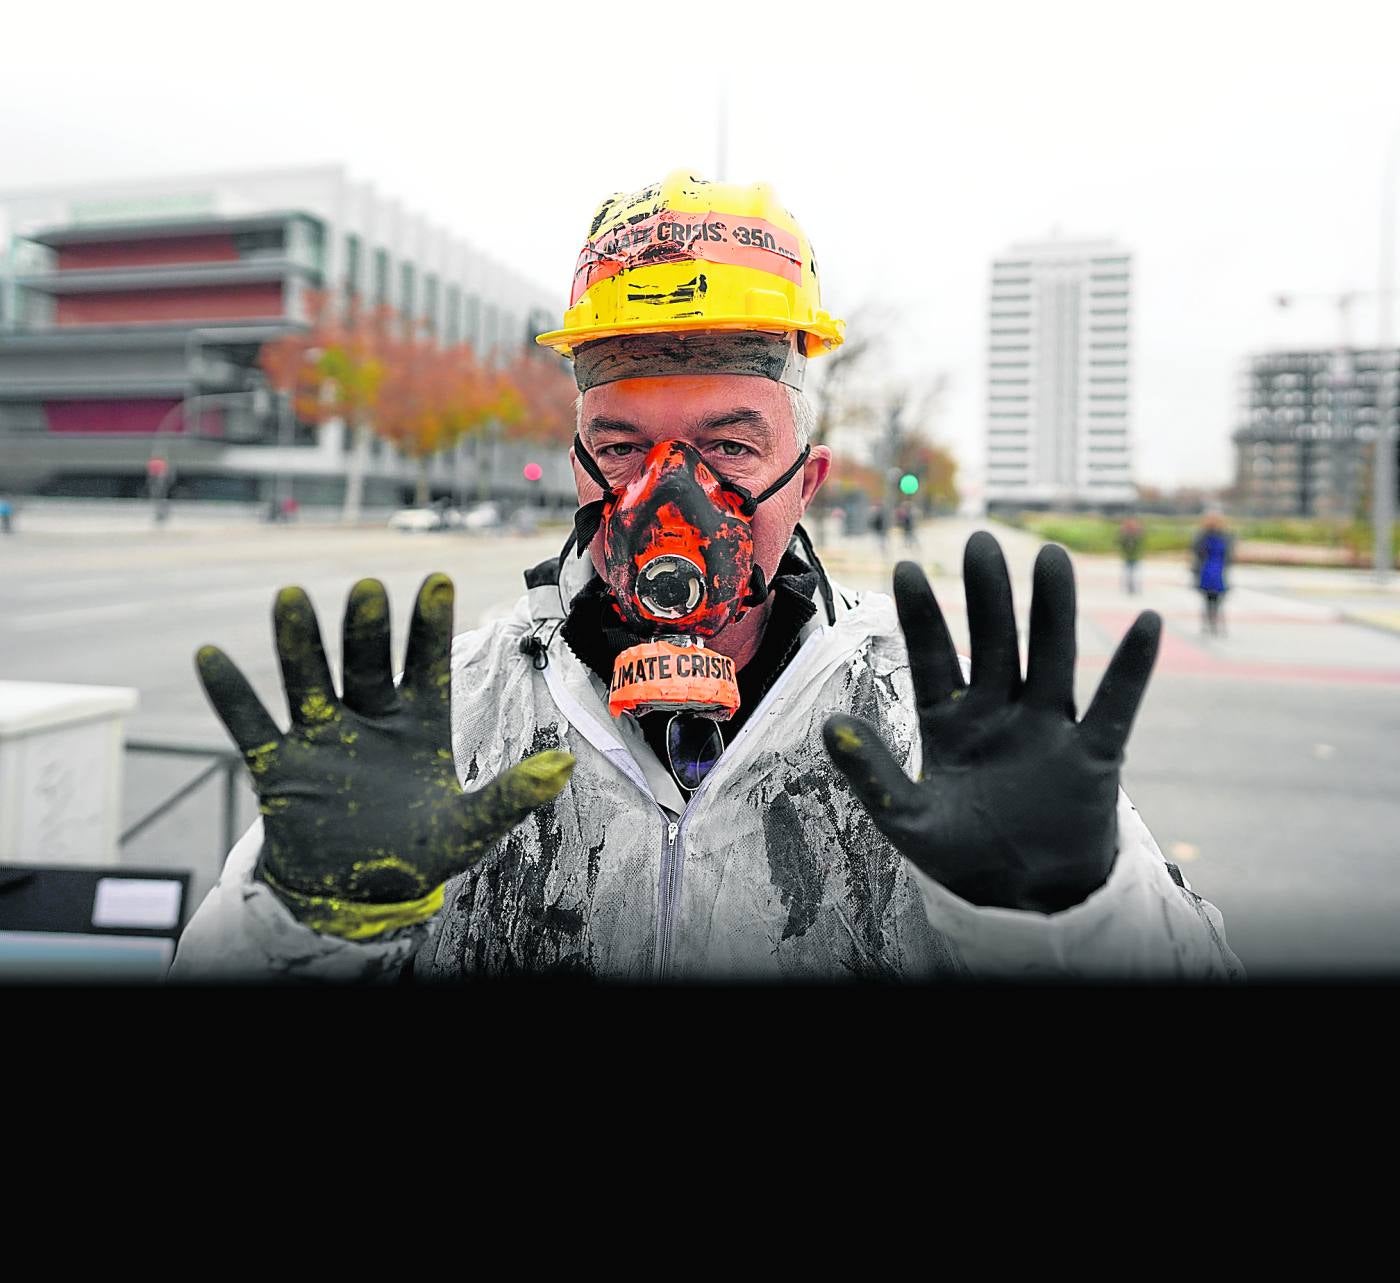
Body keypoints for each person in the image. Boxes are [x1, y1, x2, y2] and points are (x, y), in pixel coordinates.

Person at [172, 171, 1241, 982]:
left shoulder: (927, 719)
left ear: (806, 476)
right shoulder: (448, 715)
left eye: (729, 446)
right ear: (579, 459)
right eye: (625, 444)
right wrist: (295, 918)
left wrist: (1070, 913)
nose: (667, 499)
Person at [1193, 511, 1232, 637]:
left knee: (1217, 599)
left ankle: (1213, 621)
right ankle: (1209, 621)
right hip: (1207, 569)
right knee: (1208, 598)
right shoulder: (1203, 536)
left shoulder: (1225, 536)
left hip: (1219, 570)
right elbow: (1196, 552)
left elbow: (1228, 554)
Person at [1116, 516, 1144, 595]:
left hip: (1135, 557)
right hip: (1128, 557)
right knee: (1128, 574)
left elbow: (1140, 538)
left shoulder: (1136, 536)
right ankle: (1130, 587)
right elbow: (1120, 542)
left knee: (1135, 574)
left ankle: (1133, 587)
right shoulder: (1125, 536)